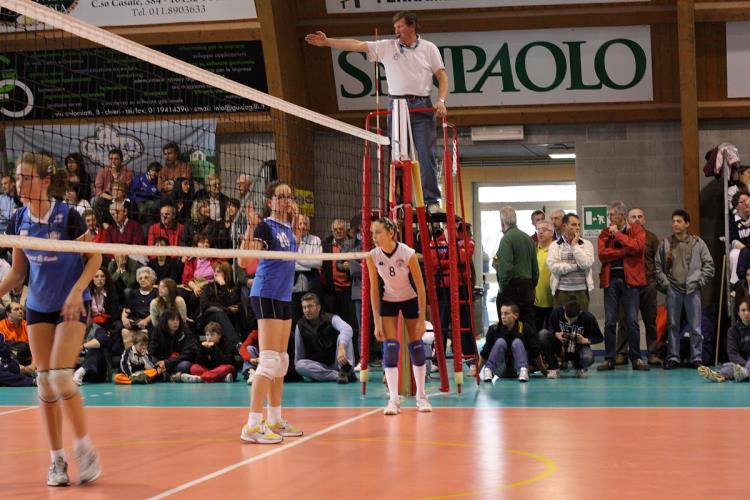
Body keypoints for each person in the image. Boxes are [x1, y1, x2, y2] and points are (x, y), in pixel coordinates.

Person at [0, 152, 102, 486]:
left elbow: (95, 259)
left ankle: (85, 449)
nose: (19, 184)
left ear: (44, 182)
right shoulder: (17, 219)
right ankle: (57, 459)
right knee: (44, 382)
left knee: (59, 376)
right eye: (17, 178)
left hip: (71, 304)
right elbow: (19, 272)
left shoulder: (68, 216)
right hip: (39, 306)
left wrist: (77, 291)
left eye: (26, 178)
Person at [305, 10, 449, 208]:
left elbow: (442, 77)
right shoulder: (387, 46)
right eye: (395, 27)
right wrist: (328, 42)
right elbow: (357, 45)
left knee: (426, 153)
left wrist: (440, 100)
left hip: (422, 106)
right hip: (397, 106)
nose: (396, 30)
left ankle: (431, 201)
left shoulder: (429, 48)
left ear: (412, 26)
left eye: (400, 26)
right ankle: (400, 201)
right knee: (398, 156)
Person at [239, 180, 303, 444]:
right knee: (268, 361)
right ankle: (253, 425)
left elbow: (292, 255)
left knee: (282, 361)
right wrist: (250, 226)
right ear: (270, 202)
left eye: (289, 196)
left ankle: (274, 419)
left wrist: (297, 224)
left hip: (284, 295)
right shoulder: (264, 227)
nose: (287, 200)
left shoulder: (288, 228)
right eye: (281, 196)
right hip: (266, 294)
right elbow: (244, 261)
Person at [365, 217, 430, 415]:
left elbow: (421, 287)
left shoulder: (407, 253)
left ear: (390, 233)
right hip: (388, 300)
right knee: (391, 348)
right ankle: (393, 399)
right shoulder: (372, 256)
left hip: (409, 298)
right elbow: (374, 289)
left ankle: (421, 396)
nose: (374, 237)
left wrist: (421, 320)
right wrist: (377, 321)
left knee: (417, 347)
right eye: (372, 233)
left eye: (378, 232)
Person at [655, 209, 714, 369]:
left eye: (679, 221)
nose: (675, 224)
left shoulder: (698, 243)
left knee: (695, 326)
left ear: (687, 224)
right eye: (673, 221)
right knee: (672, 325)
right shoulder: (666, 243)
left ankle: (697, 358)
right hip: (673, 290)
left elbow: (709, 265)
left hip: (692, 290)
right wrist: (666, 285)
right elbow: (658, 267)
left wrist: (699, 281)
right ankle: (673, 357)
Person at [596, 200, 650, 372]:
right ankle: (609, 359)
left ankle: (636, 358)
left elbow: (638, 247)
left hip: (630, 281)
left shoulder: (637, 230)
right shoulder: (605, 232)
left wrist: (619, 235)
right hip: (610, 281)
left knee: (632, 321)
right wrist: (624, 251)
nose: (609, 218)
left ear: (621, 215)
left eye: (612, 215)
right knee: (610, 322)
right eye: (609, 215)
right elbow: (602, 254)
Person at [294, 292, 356, 383]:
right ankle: (340, 376)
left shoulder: (331, 318)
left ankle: (345, 371)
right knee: (299, 365)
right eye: (304, 307)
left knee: (344, 336)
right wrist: (308, 370)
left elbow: (347, 329)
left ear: (318, 308)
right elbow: (299, 356)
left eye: (310, 306)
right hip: (319, 367)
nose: (307, 310)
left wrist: (341, 347)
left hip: (338, 362)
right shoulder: (300, 326)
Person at [494, 206, 538, 324]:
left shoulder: (506, 239)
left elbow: (506, 269)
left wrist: (502, 288)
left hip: (511, 289)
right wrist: (532, 286)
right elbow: (535, 268)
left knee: (508, 325)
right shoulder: (529, 239)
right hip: (528, 288)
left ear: (502, 222)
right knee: (527, 325)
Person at [540, 300, 603, 379]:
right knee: (543, 334)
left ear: (579, 313)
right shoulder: (557, 312)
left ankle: (579, 367)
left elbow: (599, 338)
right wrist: (556, 334)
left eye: (572, 320)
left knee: (588, 357)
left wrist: (585, 340)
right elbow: (549, 327)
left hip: (578, 348)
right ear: (564, 310)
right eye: (567, 318)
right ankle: (554, 368)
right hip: (559, 345)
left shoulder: (588, 317)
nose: (569, 322)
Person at [479, 302, 540, 383]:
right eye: (501, 313)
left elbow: (535, 352)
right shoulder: (493, 329)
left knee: (517, 342)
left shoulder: (525, 328)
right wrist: (477, 371)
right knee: (500, 342)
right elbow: (485, 352)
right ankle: (488, 369)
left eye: (506, 313)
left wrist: (544, 371)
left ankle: (523, 370)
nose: (503, 316)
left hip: (518, 367)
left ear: (516, 316)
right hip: (501, 368)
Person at [547, 213, 595, 311]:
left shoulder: (587, 244)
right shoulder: (555, 245)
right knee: (561, 318)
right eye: (574, 224)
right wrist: (574, 267)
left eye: (579, 225)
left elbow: (586, 264)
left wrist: (574, 246)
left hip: (581, 290)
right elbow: (553, 267)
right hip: (561, 290)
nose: (577, 227)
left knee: (581, 319)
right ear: (565, 226)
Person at [698, 297, 750, 383]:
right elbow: (733, 354)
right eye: (743, 310)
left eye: (748, 310)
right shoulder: (732, 331)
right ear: (738, 312)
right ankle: (719, 375)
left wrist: (746, 365)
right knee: (728, 368)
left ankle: (743, 373)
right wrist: (742, 365)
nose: (746, 313)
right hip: (739, 364)